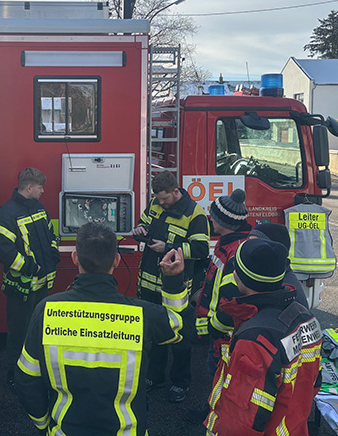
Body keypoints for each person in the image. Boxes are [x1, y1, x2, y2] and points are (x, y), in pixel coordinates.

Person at [15, 222, 188, 435]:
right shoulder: (141, 314)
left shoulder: (46, 311)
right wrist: (173, 282)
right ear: (116, 260)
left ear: (75, 258)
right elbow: (177, 326)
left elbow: (27, 378)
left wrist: (43, 424)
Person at [204, 238, 323, 435]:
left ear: (239, 277)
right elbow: (314, 383)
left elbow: (239, 421)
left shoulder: (254, 338)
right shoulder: (303, 316)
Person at [133, 170, 209, 402]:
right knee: (153, 336)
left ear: (176, 191)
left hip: (175, 289)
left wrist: (168, 247)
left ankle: (180, 383)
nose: (161, 203)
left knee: (180, 338)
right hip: (148, 283)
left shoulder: (195, 214)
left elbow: (200, 250)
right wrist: (140, 231)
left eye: (165, 198)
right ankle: (155, 378)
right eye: (158, 199)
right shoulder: (156, 204)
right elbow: (143, 223)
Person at [0, 167, 59, 386]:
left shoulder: (39, 208)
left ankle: (37, 371)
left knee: (40, 331)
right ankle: (15, 375)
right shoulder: (6, 213)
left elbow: (50, 234)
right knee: (19, 333)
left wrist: (53, 253)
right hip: (21, 288)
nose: (43, 191)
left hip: (42, 285)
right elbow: (5, 251)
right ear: (29, 187)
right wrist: (32, 268)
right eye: (40, 187)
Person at [196, 189, 251, 349]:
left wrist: (215, 328)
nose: (210, 218)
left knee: (217, 372)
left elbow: (231, 300)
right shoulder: (227, 242)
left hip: (223, 336)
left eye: (214, 216)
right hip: (218, 331)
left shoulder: (236, 251)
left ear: (224, 222)